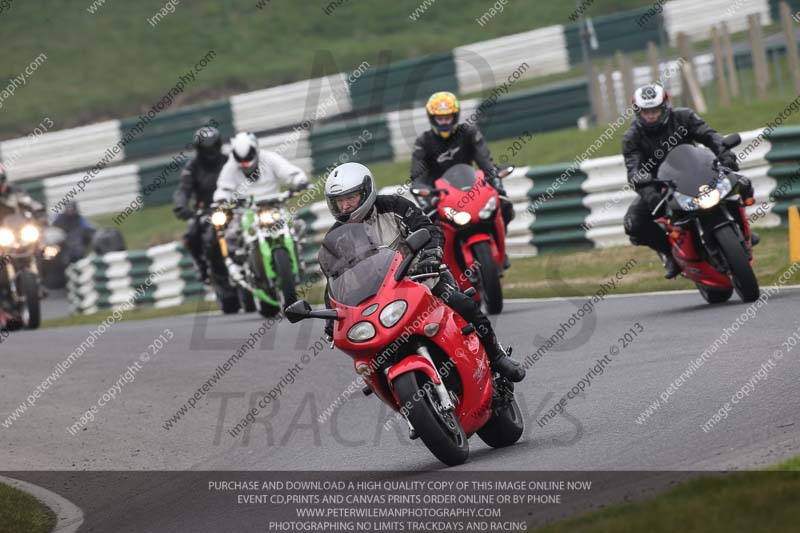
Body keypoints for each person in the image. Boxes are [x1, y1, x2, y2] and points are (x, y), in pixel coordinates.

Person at [322, 162, 525, 383]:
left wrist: (430, 257)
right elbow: (334, 279)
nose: (345, 207)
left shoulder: (394, 205)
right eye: (339, 201)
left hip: (420, 278)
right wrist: (333, 316)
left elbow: (429, 229)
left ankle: (497, 356)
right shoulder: (337, 238)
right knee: (368, 354)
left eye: (350, 198)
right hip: (377, 299)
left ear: (366, 191)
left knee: (464, 305)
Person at [622, 83, 755, 279]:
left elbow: (709, 135)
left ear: (665, 106)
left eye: (655, 110)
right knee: (633, 222)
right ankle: (669, 254)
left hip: (698, 173)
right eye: (645, 111)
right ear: (637, 112)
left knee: (742, 182)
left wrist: (725, 154)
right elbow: (634, 169)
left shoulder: (684, 117)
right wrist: (649, 191)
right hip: (662, 185)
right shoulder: (632, 137)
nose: (650, 115)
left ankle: (743, 230)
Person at [410, 91, 515, 230]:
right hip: (440, 196)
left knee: (504, 204)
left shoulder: (469, 133)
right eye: (440, 119)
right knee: (427, 225)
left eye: (448, 118)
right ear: (432, 118)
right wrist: (429, 199)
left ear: (455, 116)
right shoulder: (423, 142)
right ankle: (437, 251)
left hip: (471, 189)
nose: (444, 122)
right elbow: (417, 178)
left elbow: (486, 163)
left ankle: (500, 244)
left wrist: (497, 185)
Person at [213, 132, 309, 280]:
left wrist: (300, 181)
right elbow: (223, 188)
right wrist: (221, 200)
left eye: (248, 157)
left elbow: (290, 171)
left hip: (275, 206)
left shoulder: (269, 158)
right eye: (241, 159)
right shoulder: (231, 166)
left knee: (297, 224)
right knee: (231, 235)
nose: (245, 163)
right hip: (247, 211)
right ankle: (239, 268)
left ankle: (298, 252)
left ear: (255, 150)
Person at [173, 126, 228, 283]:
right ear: (199, 149)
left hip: (232, 207)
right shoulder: (192, 167)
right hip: (205, 212)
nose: (211, 153)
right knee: (191, 234)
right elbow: (182, 190)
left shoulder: (229, 162)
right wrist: (180, 205)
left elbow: (247, 180)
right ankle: (201, 264)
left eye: (213, 148)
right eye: (206, 149)